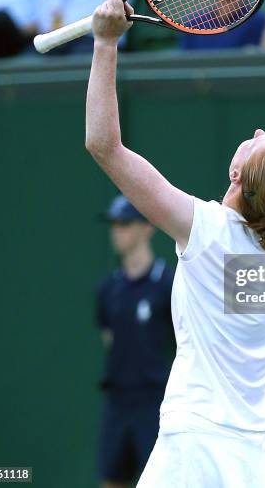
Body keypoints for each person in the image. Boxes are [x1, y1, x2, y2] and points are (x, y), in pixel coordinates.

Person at [84, 0, 265, 487]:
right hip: (254, 454)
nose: (257, 130)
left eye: (260, 140)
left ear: (237, 171)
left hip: (194, 444)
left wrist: (106, 45)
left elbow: (103, 145)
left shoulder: (205, 229)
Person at [96, 193, 174, 488]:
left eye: (125, 224)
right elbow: (109, 339)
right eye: (114, 224)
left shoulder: (167, 283)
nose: (118, 231)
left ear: (147, 227)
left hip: (154, 405)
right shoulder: (107, 290)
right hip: (117, 404)